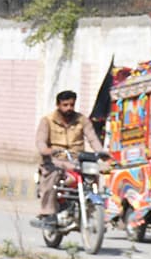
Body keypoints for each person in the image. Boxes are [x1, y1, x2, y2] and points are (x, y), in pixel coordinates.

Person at [33, 90, 102, 228]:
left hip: (76, 161)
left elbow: (92, 138)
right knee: (52, 177)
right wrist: (47, 150)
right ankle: (47, 213)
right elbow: (40, 141)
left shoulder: (82, 120)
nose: (69, 108)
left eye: (71, 104)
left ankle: (93, 210)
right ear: (58, 105)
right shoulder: (47, 121)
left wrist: (101, 152)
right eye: (65, 105)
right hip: (54, 161)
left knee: (93, 174)